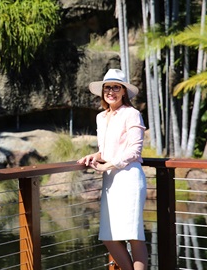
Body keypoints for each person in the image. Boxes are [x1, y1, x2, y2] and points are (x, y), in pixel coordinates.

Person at [77, 68, 148, 270]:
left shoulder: (132, 114)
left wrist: (109, 164)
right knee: (108, 236)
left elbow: (134, 150)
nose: (111, 91)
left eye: (116, 87)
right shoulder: (101, 117)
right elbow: (105, 149)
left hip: (129, 179)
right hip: (110, 181)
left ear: (124, 91)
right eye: (107, 87)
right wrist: (95, 156)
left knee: (134, 235)